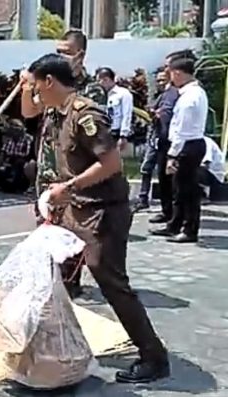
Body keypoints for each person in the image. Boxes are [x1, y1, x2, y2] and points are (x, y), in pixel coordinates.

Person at [25, 53, 169, 383]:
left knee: (112, 282)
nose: (35, 94)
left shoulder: (85, 114)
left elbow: (111, 164)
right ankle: (60, 347)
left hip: (104, 211)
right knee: (54, 275)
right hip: (77, 210)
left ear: (50, 82)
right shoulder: (57, 111)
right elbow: (28, 109)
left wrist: (69, 186)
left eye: (37, 86)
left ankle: (153, 356)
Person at [21, 29, 105, 297]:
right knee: (46, 226)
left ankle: (69, 283)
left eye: (66, 51)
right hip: (47, 167)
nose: (61, 56)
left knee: (70, 230)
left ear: (81, 54)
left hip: (72, 172)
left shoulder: (90, 89)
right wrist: (26, 87)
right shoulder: (49, 80)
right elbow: (29, 110)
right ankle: (51, 280)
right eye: (58, 51)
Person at [150, 57, 208, 244]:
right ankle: (176, 224)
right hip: (192, 143)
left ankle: (189, 229)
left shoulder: (189, 97)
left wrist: (172, 155)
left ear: (178, 73)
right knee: (180, 188)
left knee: (186, 191)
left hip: (187, 145)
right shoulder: (195, 92)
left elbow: (181, 129)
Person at [133, 68, 179, 213]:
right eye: (158, 80)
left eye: (162, 80)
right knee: (146, 168)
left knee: (165, 172)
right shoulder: (157, 95)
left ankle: (170, 207)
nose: (159, 83)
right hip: (153, 135)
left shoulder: (172, 95)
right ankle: (143, 198)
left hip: (165, 137)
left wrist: (158, 114)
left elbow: (168, 115)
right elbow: (151, 110)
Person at [0, 118, 34, 193]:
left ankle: (21, 185)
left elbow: (26, 153)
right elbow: (4, 150)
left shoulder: (28, 138)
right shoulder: (10, 139)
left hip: (23, 161)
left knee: (19, 163)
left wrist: (12, 156)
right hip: (10, 159)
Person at [96, 67, 133, 150]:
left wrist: (123, 135)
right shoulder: (104, 95)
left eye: (99, 80)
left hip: (116, 132)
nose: (99, 83)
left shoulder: (123, 93)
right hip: (105, 132)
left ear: (106, 79)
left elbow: (127, 114)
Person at [200, 136, 225, 200]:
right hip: (207, 172)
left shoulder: (205, 141)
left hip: (214, 176)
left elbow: (205, 163)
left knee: (189, 169)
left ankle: (203, 194)